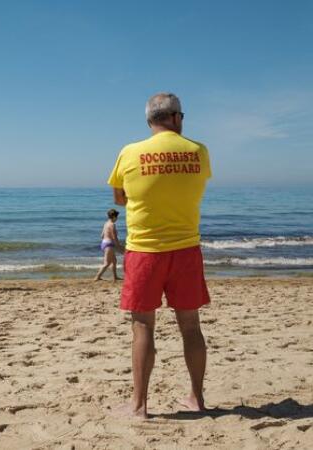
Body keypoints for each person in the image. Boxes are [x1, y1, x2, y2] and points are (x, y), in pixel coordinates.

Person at [108, 93, 212, 419]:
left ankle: (139, 406)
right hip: (185, 250)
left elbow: (120, 198)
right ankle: (196, 397)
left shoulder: (129, 152)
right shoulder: (198, 151)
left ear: (150, 120)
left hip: (144, 251)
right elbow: (191, 188)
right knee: (191, 327)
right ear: (177, 118)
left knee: (142, 328)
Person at [94, 208, 123, 282]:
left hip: (104, 243)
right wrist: (119, 246)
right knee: (107, 263)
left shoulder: (106, 223)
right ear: (113, 217)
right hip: (109, 245)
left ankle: (115, 277)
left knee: (114, 261)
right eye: (116, 217)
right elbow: (114, 237)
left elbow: (101, 235)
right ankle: (97, 277)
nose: (117, 219)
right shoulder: (112, 225)